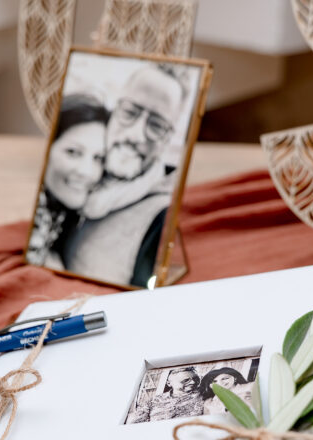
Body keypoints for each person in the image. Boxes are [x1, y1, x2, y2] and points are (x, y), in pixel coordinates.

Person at [63, 63, 190, 287]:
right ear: (113, 112)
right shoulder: (74, 174)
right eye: (130, 113)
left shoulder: (161, 217)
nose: (136, 135)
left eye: (157, 125)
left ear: (167, 138)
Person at [26, 94, 108, 270]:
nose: (86, 172)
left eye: (98, 158)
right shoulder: (27, 211)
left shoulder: (61, 213)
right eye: (72, 152)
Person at [130, 366, 203, 423]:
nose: (193, 382)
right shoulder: (153, 401)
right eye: (186, 380)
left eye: (196, 379)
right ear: (169, 383)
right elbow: (136, 423)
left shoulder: (206, 397)